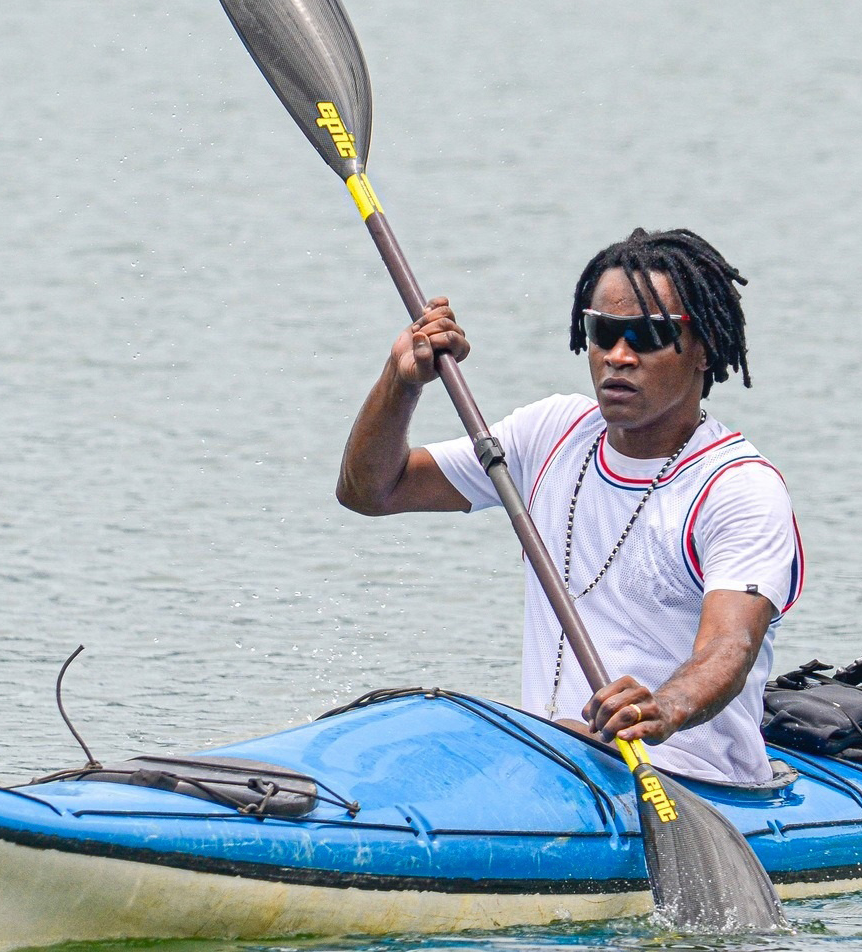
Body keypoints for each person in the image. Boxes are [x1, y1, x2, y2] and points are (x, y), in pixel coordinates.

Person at [335, 227, 803, 785]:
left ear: (703, 347)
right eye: (603, 332)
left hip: (690, 780)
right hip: (558, 762)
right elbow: (372, 490)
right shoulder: (550, 433)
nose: (618, 356)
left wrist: (664, 706)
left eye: (649, 336)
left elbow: (730, 646)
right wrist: (401, 382)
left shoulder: (738, 488)